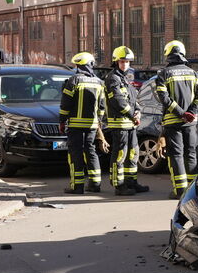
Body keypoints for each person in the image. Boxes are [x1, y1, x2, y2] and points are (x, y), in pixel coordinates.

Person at [154, 40, 198, 199]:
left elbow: (164, 98)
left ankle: (179, 190)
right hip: (191, 122)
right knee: (191, 154)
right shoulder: (194, 73)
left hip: (172, 121)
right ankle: (191, 191)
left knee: (176, 155)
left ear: (168, 55)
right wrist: (190, 112)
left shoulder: (163, 74)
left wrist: (181, 113)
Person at [104, 46, 150, 196]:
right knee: (120, 154)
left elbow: (133, 98)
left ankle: (132, 182)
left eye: (128, 62)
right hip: (119, 124)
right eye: (122, 61)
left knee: (133, 153)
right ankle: (119, 185)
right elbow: (118, 101)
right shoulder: (112, 78)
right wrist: (132, 114)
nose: (125, 65)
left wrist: (138, 111)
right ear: (116, 62)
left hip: (130, 124)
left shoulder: (125, 78)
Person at [59, 52, 105, 194]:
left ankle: (77, 186)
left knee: (76, 154)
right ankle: (95, 184)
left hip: (75, 126)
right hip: (92, 126)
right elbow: (102, 107)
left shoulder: (74, 81)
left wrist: (62, 121)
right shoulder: (99, 82)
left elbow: (65, 104)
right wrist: (99, 124)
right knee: (91, 152)